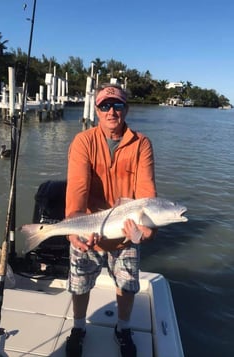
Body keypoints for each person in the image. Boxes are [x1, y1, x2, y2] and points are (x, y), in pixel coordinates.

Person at [65, 83, 157, 357]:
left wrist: (143, 231)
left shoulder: (141, 143)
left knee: (127, 286)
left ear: (126, 109)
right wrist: (74, 227)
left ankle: (123, 327)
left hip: (125, 231)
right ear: (96, 110)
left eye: (117, 105)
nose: (111, 111)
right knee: (79, 284)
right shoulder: (83, 141)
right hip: (89, 226)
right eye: (104, 105)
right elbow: (77, 189)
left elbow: (147, 194)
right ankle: (79, 327)